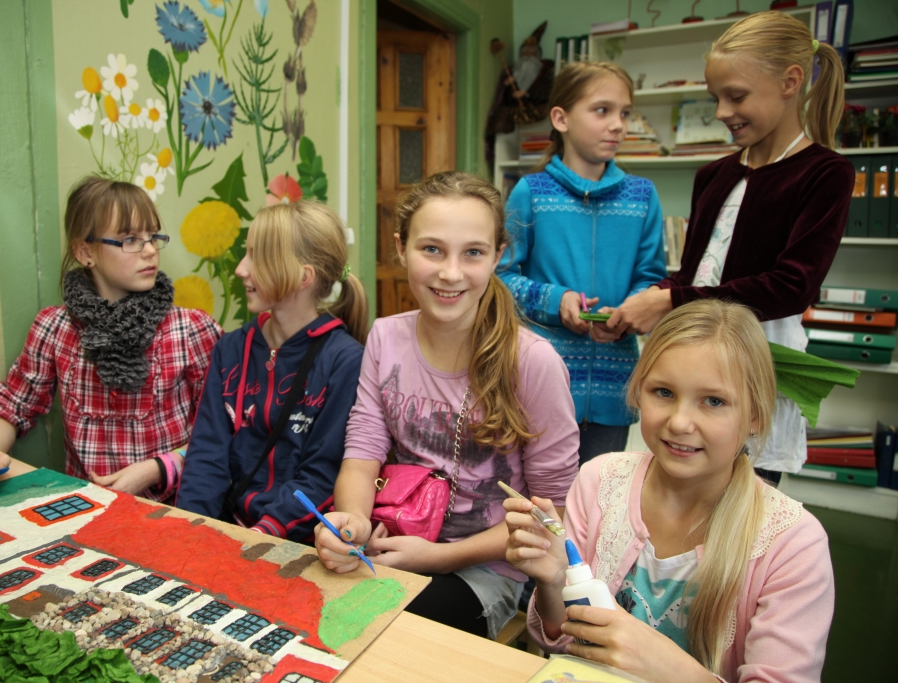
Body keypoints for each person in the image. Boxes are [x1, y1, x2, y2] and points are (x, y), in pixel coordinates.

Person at [505, 299, 833, 683]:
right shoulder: (599, 481)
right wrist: (553, 580)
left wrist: (672, 669)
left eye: (713, 401)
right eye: (663, 392)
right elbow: (564, 639)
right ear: (638, 392)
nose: (680, 422)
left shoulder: (794, 544)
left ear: (756, 416)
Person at [314, 171, 579, 640]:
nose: (450, 272)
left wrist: (435, 557)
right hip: (391, 537)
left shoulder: (534, 363)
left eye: (472, 252)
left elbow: (548, 512)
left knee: (391, 633)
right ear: (400, 247)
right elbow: (362, 454)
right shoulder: (385, 336)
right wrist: (352, 522)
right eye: (431, 249)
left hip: (487, 569)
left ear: (499, 255)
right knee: (318, 610)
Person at [605, 11, 854, 483]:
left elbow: (791, 286)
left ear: (791, 81)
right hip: (690, 373)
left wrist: (671, 300)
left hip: (751, 376)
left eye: (736, 96)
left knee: (740, 529)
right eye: (715, 97)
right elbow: (694, 276)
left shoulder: (825, 173)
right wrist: (640, 308)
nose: (721, 112)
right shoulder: (713, 176)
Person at [0, 176, 221, 501]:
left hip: (177, 513)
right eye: (130, 239)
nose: (151, 250)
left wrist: (157, 469)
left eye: (153, 236)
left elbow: (223, 430)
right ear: (85, 252)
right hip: (87, 514)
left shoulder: (190, 329)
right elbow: (13, 408)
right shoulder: (55, 328)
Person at [499, 61, 666, 464]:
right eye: (602, 110)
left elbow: (651, 277)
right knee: (540, 506)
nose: (618, 125)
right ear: (561, 118)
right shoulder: (530, 192)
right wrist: (556, 301)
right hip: (541, 383)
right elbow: (500, 278)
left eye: (625, 113)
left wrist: (631, 309)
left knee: (598, 505)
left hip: (616, 387)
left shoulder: (642, 196)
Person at [176, 201, 367, 542]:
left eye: (255, 257)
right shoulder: (231, 348)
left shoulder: (345, 361)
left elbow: (321, 475)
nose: (240, 269)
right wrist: (192, 534)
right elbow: (206, 455)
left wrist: (261, 535)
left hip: (295, 542)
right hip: (223, 532)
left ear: (302, 276)